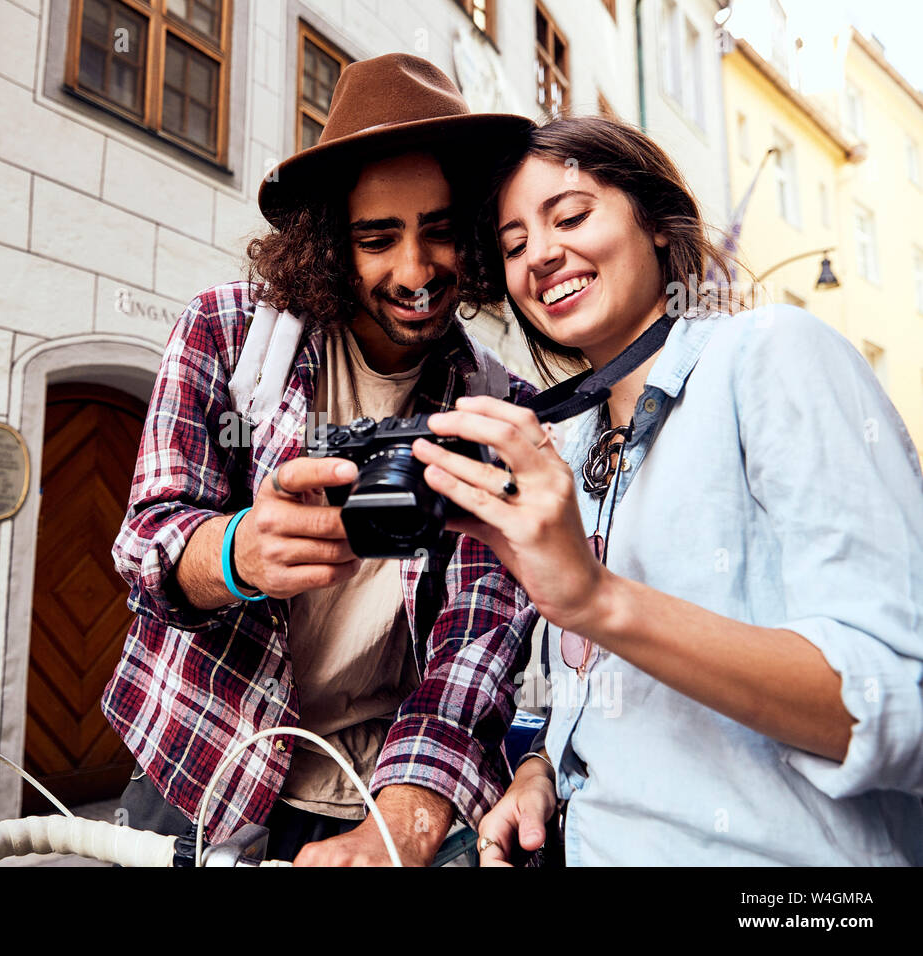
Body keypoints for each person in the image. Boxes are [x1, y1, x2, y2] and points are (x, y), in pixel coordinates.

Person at [412, 115, 923, 865]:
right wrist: (540, 774)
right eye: (515, 246)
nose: (542, 255)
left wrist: (598, 599)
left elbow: (900, 705)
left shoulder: (773, 353)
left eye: (572, 216)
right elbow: (598, 700)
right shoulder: (572, 441)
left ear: (654, 219)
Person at [103, 54, 539, 865]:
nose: (415, 274)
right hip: (202, 759)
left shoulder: (491, 401)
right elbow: (145, 545)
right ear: (331, 244)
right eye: (379, 238)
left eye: (439, 230)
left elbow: (478, 636)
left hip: (391, 782)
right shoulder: (226, 334)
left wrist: (401, 827)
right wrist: (236, 552)